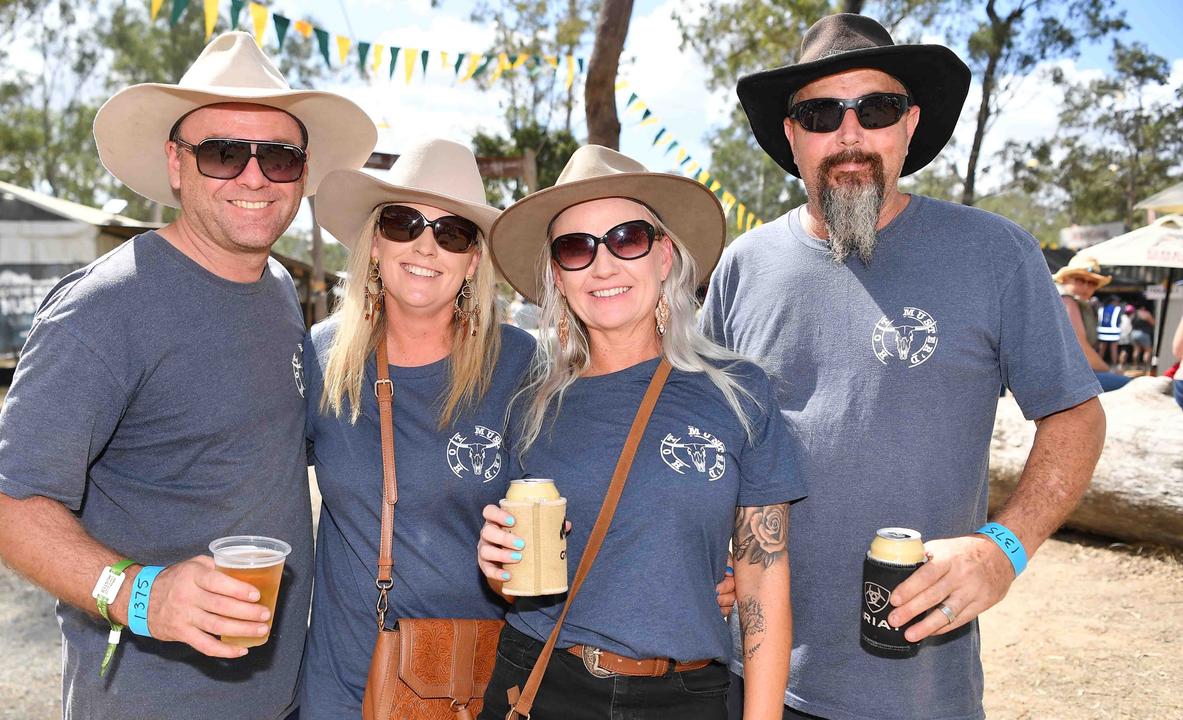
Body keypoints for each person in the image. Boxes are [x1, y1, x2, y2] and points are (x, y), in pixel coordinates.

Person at [709, 14, 1106, 720]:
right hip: (753, 677)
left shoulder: (993, 254)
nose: (850, 133)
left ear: (909, 125)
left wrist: (1003, 548)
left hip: (919, 689)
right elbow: (710, 441)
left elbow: (1075, 414)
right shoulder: (743, 267)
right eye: (821, 113)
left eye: (877, 108)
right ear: (792, 135)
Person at [0, 32, 376, 720]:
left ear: (301, 174)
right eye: (223, 153)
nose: (253, 177)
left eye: (278, 156)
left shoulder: (278, 289)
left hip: (277, 697)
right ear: (177, 164)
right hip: (150, 701)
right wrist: (143, 595)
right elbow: (1, 507)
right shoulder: (106, 306)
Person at [477, 145, 805, 720]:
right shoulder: (531, 402)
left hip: (684, 696)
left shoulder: (736, 390)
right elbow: (522, 577)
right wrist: (498, 568)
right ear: (557, 274)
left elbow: (763, 578)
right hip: (537, 684)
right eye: (575, 248)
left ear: (665, 256)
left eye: (627, 238)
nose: (603, 265)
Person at [298, 137, 536, 717]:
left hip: (471, 683)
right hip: (344, 683)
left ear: (473, 259)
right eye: (404, 223)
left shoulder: (519, 363)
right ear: (375, 243)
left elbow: (576, 494)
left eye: (452, 232)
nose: (426, 245)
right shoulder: (322, 356)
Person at [1054, 257, 1130, 390]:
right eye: (1080, 280)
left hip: (1065, 375)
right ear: (1065, 279)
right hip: (1061, 378)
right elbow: (1079, 348)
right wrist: (1107, 370)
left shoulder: (1077, 303)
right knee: (1131, 385)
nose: (1086, 286)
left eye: (1092, 283)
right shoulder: (1067, 301)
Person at [1129, 303, 1156, 369]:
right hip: (1143, 333)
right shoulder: (1145, 314)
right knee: (1148, 350)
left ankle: (1135, 365)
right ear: (1143, 307)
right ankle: (1146, 367)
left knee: (1136, 350)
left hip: (1133, 333)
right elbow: (1153, 323)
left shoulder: (1133, 314)